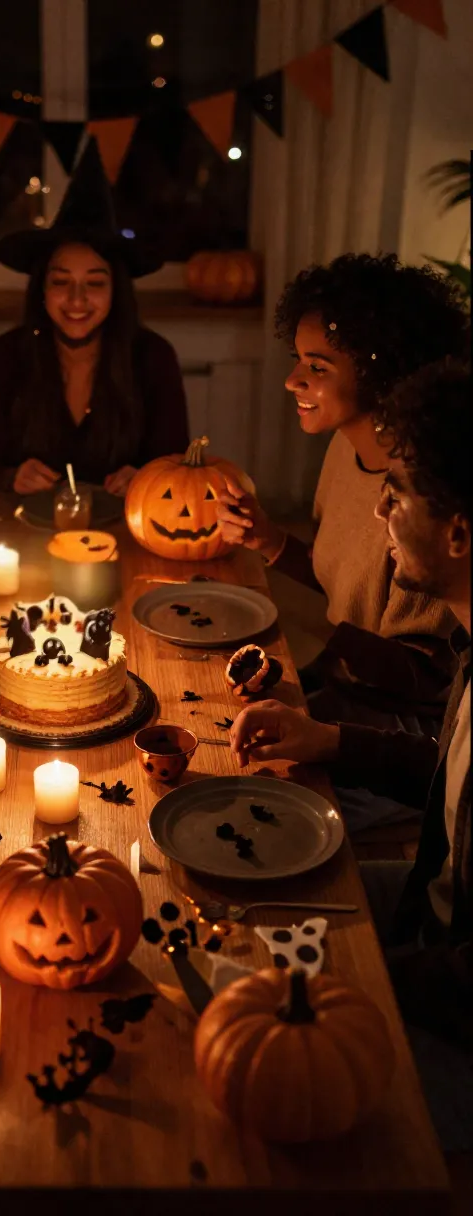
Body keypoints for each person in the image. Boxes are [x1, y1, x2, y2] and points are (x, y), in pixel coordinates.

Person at [229, 361, 471, 1151]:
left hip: (454, 1014)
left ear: (459, 531)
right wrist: (328, 740)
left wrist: (350, 981)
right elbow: (450, 779)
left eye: (397, 493)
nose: (380, 508)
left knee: (259, 1095)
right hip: (431, 913)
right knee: (236, 900)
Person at [216, 254, 468, 827]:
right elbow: (353, 585)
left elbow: (423, 676)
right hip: (353, 687)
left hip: (413, 726)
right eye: (296, 360)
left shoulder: (426, 493)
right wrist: (272, 541)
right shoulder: (344, 450)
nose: (293, 380)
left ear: (380, 371)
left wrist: (308, 676)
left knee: (262, 813)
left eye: (318, 367)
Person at [0, 140, 189, 497]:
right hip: (25, 533)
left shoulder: (153, 356)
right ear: (41, 288)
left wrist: (148, 477)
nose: (77, 300)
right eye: (61, 281)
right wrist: (11, 478)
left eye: (95, 283)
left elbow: (179, 465)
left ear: (117, 291)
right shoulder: (5, 355)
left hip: (129, 529)